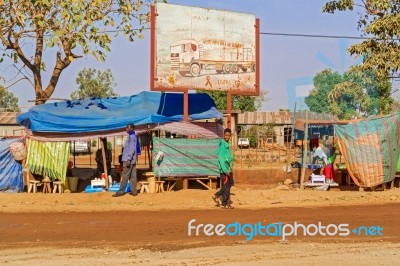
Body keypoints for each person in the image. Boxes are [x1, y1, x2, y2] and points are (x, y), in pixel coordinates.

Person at [113, 124, 140, 197]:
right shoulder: (134, 136)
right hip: (133, 160)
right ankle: (134, 191)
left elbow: (131, 149)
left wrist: (128, 159)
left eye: (127, 127)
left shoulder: (131, 137)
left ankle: (121, 191)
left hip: (128, 160)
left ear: (131, 128)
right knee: (133, 176)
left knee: (125, 176)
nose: (126, 129)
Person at [212, 128, 235, 209]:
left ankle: (217, 196)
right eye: (226, 135)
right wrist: (225, 170)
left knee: (229, 185)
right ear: (224, 135)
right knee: (226, 187)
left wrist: (231, 158)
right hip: (224, 170)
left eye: (228, 135)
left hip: (228, 169)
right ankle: (224, 204)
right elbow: (220, 158)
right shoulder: (223, 144)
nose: (227, 137)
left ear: (230, 136)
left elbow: (228, 157)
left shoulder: (227, 144)